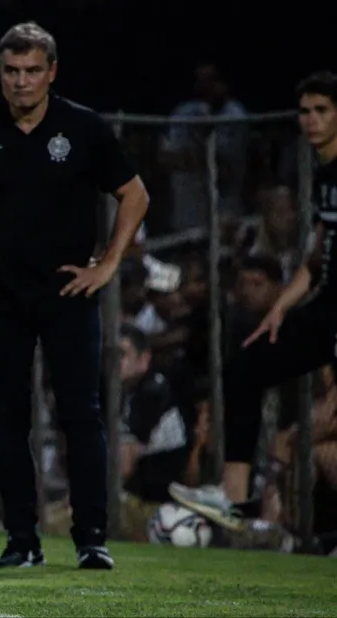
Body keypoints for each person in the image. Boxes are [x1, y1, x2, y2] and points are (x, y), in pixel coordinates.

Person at [0, 22, 149, 570]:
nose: (21, 81)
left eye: (32, 71)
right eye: (12, 71)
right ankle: (22, 540)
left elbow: (134, 193)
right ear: (0, 73)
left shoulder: (83, 127)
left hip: (68, 290)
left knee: (81, 415)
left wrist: (108, 263)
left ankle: (92, 538)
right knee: (9, 419)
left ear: (52, 72)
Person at [170, 71, 337, 530]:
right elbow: (316, 259)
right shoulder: (324, 175)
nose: (310, 120)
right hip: (326, 306)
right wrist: (280, 308)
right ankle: (235, 499)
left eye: (321, 111)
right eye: (305, 112)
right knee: (244, 369)